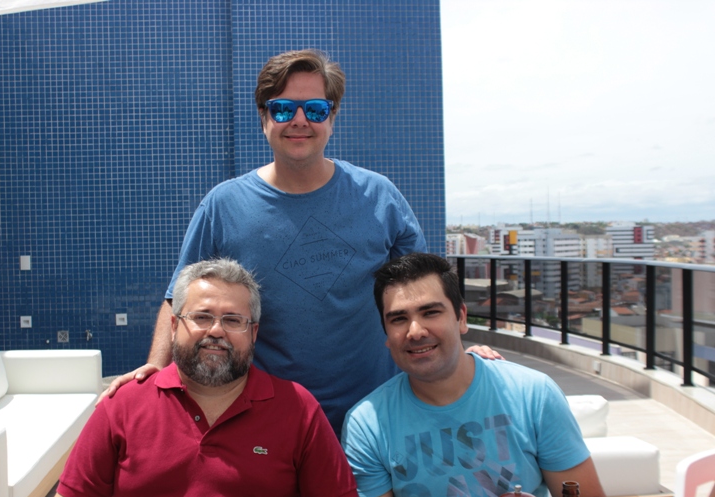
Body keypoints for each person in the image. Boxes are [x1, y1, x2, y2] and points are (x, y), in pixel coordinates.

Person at [102, 48, 500, 435]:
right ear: (264, 118)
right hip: (268, 420)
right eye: (282, 109)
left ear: (332, 117)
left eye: (315, 110)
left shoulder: (379, 197)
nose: (299, 121)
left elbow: (426, 294)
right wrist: (157, 368)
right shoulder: (223, 205)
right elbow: (179, 297)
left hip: (378, 414)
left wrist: (458, 353)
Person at [46, 258, 359, 497]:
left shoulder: (296, 409)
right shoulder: (124, 405)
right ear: (173, 327)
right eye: (202, 317)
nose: (216, 331)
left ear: (253, 333)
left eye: (233, 320)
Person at [341, 253, 614, 497]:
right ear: (386, 334)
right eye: (399, 319)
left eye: (430, 312)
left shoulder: (533, 395)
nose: (416, 331)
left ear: (461, 317)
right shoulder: (368, 425)